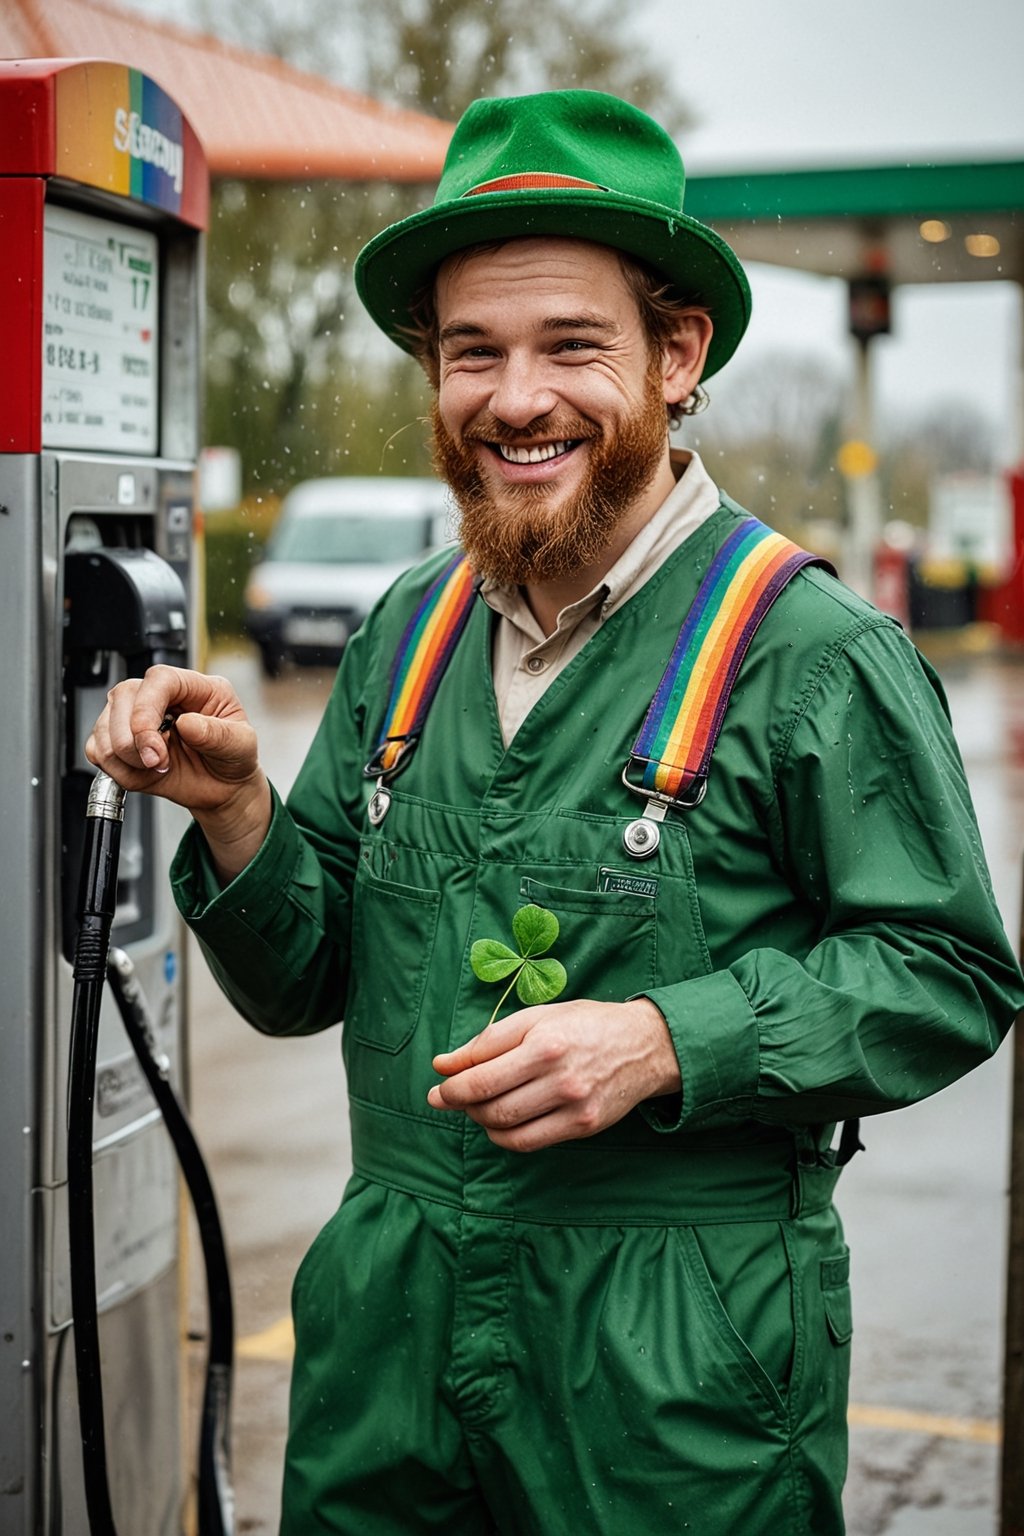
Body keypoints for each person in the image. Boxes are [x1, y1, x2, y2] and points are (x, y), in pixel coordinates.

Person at [87, 90, 1024, 1536]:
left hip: (674, 1382)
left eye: (572, 346)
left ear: (678, 354)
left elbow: (951, 977)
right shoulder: (405, 628)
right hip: (385, 1347)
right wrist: (237, 816)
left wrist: (667, 1039)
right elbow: (306, 983)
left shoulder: (816, 653)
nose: (517, 399)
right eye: (474, 352)